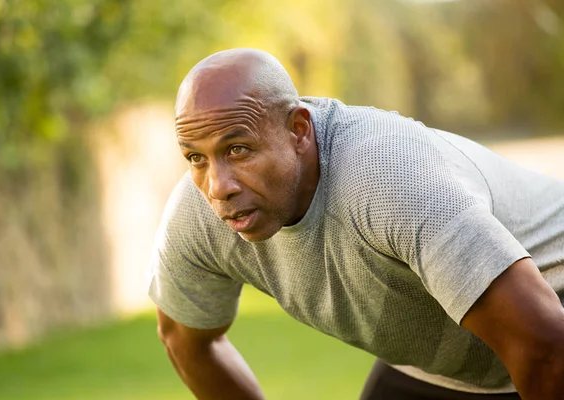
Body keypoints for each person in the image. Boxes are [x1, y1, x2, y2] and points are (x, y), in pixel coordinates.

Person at [148, 48, 564, 400]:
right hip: (446, 371)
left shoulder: (388, 177)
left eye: (238, 149)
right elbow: (186, 342)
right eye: (195, 158)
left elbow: (546, 346)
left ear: (298, 130)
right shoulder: (199, 214)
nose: (218, 186)